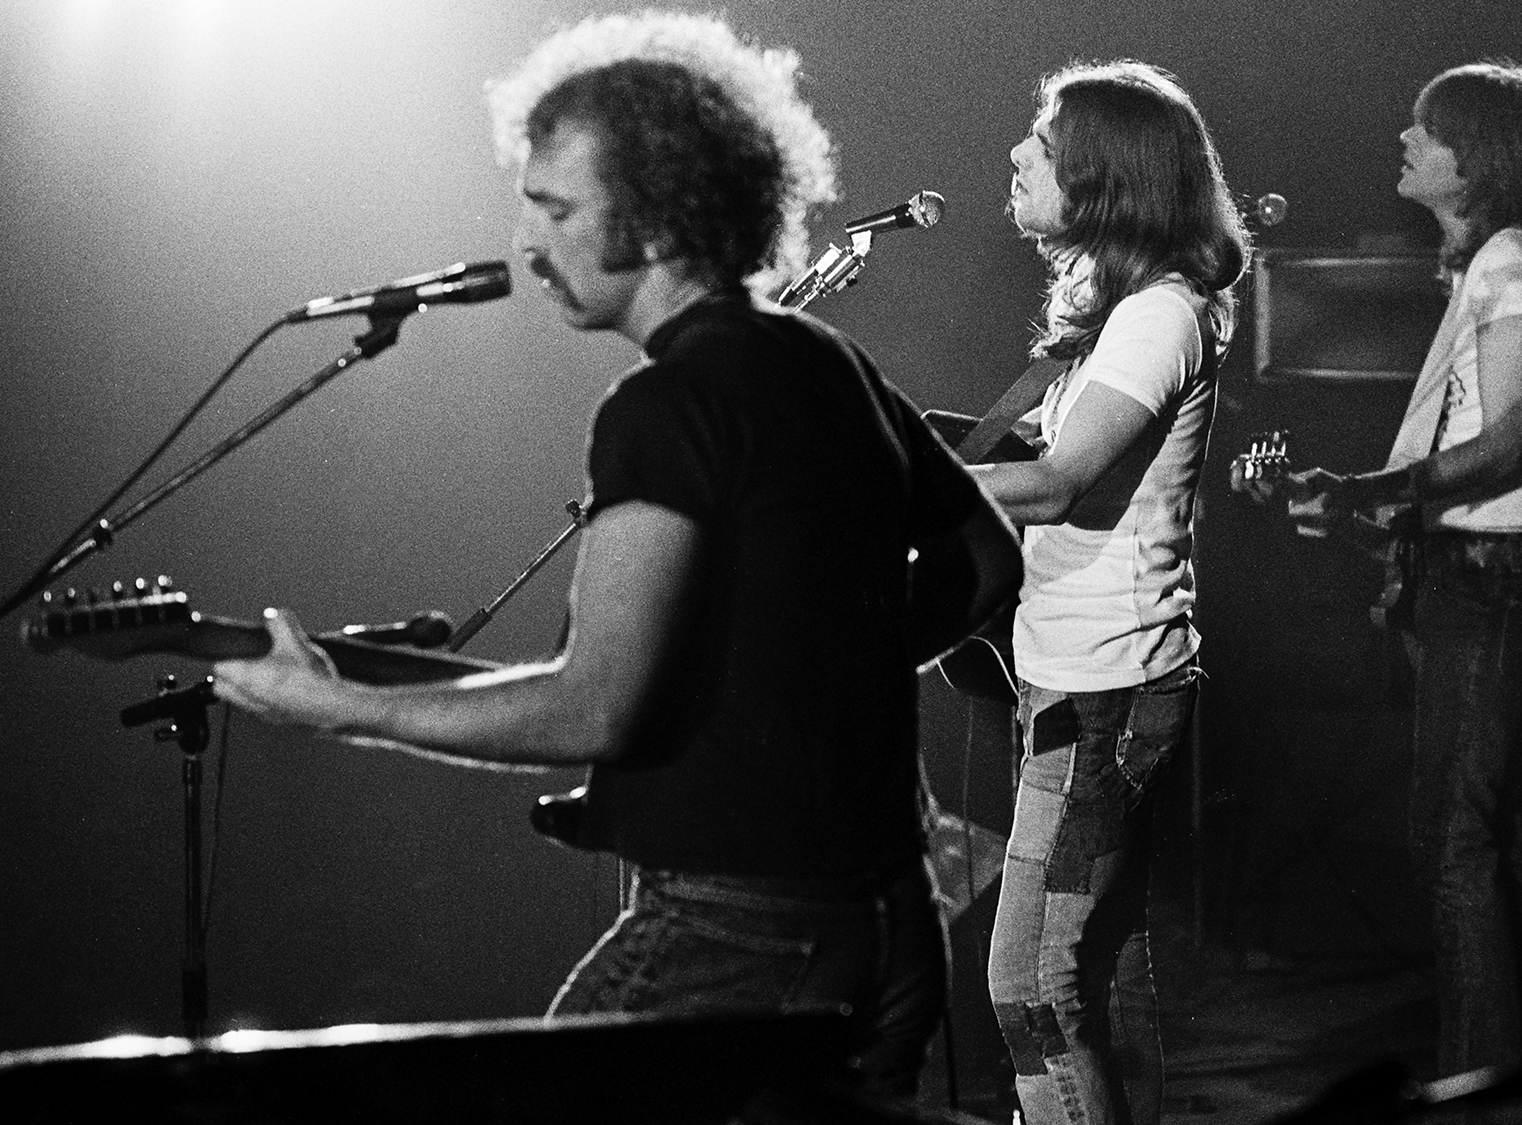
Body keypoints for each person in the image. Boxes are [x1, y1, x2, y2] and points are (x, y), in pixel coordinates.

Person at [211, 10, 1020, 1096]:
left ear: (654, 213)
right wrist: (829, 660)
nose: (527, 247)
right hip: (890, 916)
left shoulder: (663, 403)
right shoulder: (824, 358)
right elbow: (986, 557)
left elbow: (594, 710)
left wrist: (340, 707)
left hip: (737, 933)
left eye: (553, 209)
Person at [1234, 59, 1522, 1122]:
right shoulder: (1505, 261)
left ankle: (1481, 1095)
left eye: (1422, 130)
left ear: (1470, 157)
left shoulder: (1510, 263)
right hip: (1472, 570)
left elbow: (1505, 444)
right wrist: (1358, 505)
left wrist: (1374, 489)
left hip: (1486, 575)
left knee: (1452, 844)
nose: (1401, 138)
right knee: (1493, 833)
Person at [967, 60, 1248, 1125]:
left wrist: (889, 487)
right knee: (1102, 979)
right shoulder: (1130, 305)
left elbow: (1053, 482)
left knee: (1028, 990)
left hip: (1101, 693)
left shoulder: (1161, 311)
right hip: (1078, 679)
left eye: (1040, 142)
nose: (1016, 155)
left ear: (1102, 175)